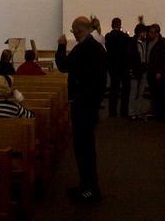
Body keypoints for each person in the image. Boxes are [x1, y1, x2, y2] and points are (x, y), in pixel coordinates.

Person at [56, 15, 108, 203]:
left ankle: (89, 188)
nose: (73, 34)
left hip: (82, 105)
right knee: (86, 148)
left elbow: (63, 66)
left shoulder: (84, 48)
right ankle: (87, 186)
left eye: (72, 31)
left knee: (83, 149)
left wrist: (62, 45)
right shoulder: (98, 48)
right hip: (91, 104)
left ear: (78, 30)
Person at [105, 17, 130, 117]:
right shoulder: (125, 37)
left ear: (112, 25)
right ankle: (124, 111)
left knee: (113, 88)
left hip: (112, 65)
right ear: (120, 26)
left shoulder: (108, 36)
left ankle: (112, 111)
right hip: (123, 64)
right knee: (125, 89)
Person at [146, 22, 165, 122]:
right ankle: (156, 113)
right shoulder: (150, 42)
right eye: (149, 32)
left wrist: (159, 71)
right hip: (151, 71)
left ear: (157, 33)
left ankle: (161, 115)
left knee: (159, 94)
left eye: (151, 32)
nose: (149, 34)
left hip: (158, 72)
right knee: (153, 94)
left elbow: (163, 59)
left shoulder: (162, 44)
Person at [127, 22, 149, 120]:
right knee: (133, 92)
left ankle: (138, 111)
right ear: (139, 32)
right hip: (135, 69)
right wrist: (131, 69)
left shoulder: (146, 42)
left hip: (143, 69)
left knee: (140, 92)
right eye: (143, 32)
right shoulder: (132, 43)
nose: (145, 34)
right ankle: (131, 112)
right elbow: (130, 57)